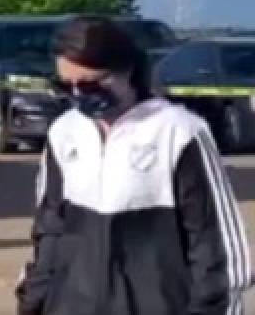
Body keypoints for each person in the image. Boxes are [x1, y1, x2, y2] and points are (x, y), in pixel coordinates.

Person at [17, 16, 253, 315]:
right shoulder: (64, 132)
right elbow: (50, 228)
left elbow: (215, 246)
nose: (79, 96)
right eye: (66, 86)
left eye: (90, 84)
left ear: (126, 71)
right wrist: (33, 301)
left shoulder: (178, 132)